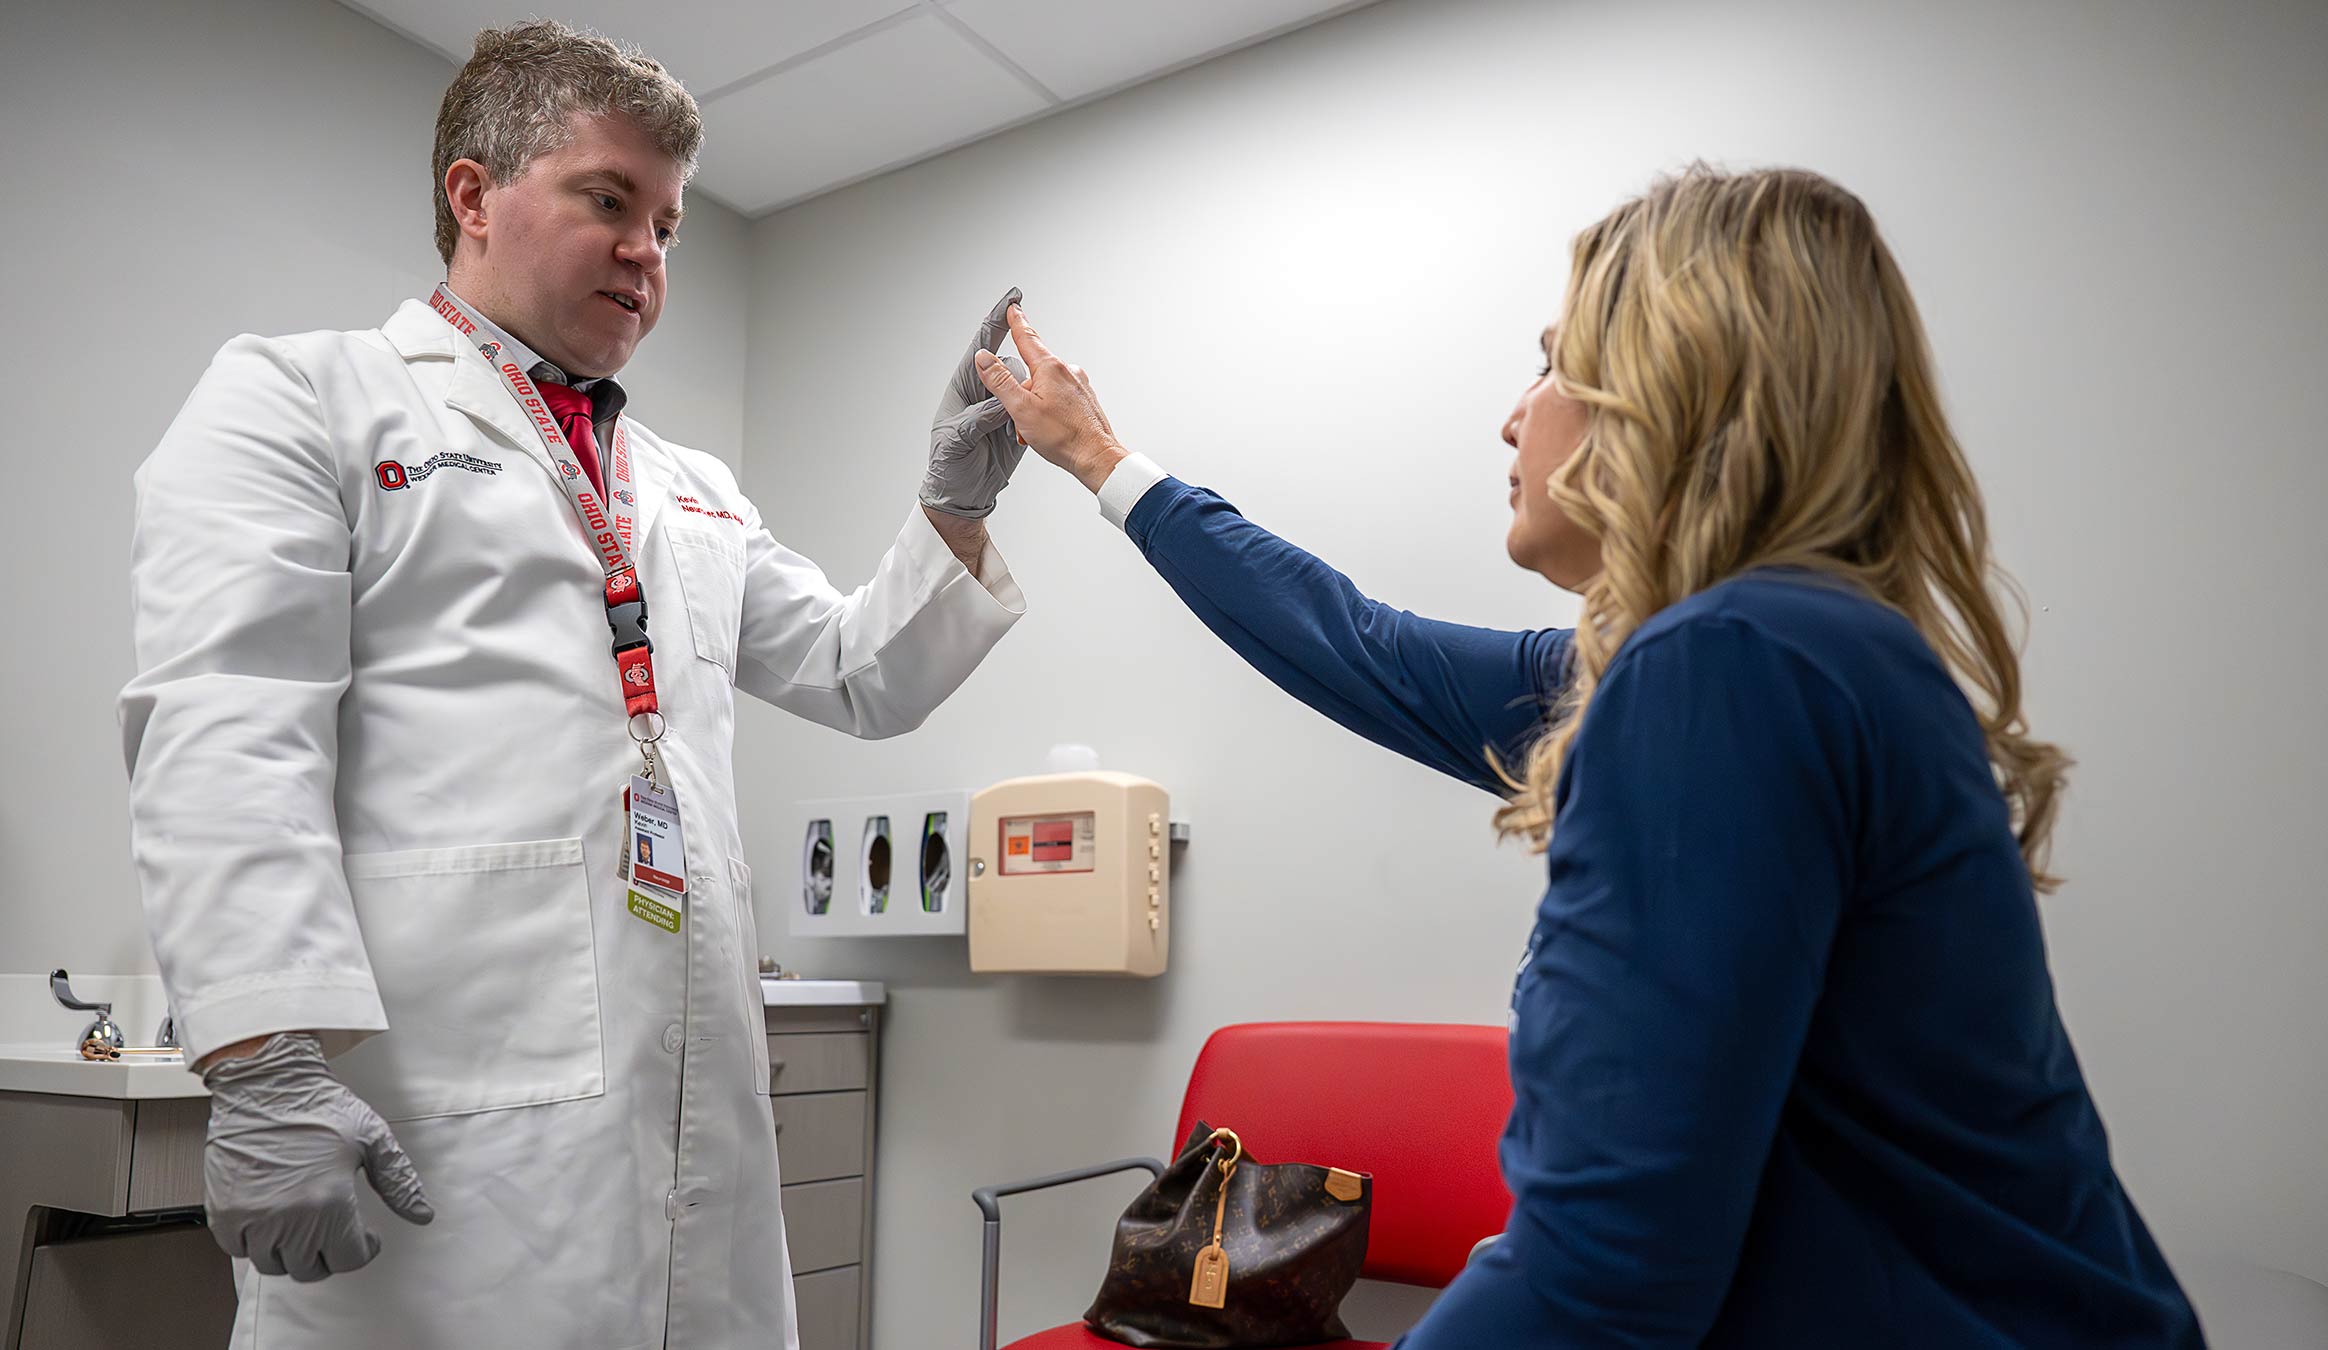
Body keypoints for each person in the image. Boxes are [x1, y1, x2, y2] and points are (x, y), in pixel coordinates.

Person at [976, 166, 2205, 1346]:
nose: (1516, 412)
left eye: (1555, 365)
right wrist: (1100, 458)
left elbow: (1609, 1265)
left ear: (1675, 389)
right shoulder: (1770, 656)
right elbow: (1357, 645)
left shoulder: (1728, 666)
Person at [117, 20, 1028, 1349]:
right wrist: (262, 1055)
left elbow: (854, 671)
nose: (648, 252)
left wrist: (951, 504)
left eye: (667, 223)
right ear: (472, 195)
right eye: (611, 199)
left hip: (689, 1153)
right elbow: (225, 725)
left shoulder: (690, 489)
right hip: (448, 1148)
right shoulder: (307, 399)